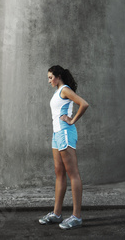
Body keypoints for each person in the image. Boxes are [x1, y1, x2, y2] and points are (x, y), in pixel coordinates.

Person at [39, 65, 89, 230]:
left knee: (72, 173)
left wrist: (72, 120)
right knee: (59, 173)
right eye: (48, 78)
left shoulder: (65, 90)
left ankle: (76, 216)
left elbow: (84, 104)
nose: (49, 81)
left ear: (58, 76)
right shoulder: (57, 91)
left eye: (50, 77)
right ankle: (57, 214)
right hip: (56, 134)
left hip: (65, 133)